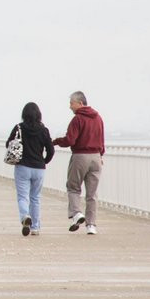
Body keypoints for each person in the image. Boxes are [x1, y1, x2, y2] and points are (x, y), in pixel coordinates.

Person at [52, 91, 105, 235]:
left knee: (73, 187)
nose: (70, 107)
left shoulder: (78, 119)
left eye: (71, 103)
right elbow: (101, 139)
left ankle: (76, 214)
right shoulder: (98, 118)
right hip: (96, 157)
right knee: (92, 193)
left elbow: (70, 140)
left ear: (80, 103)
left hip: (81, 156)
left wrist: (55, 142)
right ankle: (91, 225)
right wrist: (101, 155)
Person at [6, 102, 54, 236]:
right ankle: (35, 227)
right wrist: (44, 161)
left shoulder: (18, 128)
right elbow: (51, 150)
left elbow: (8, 144)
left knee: (23, 196)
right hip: (39, 168)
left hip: (22, 167)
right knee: (35, 198)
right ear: (39, 114)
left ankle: (25, 216)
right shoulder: (44, 130)